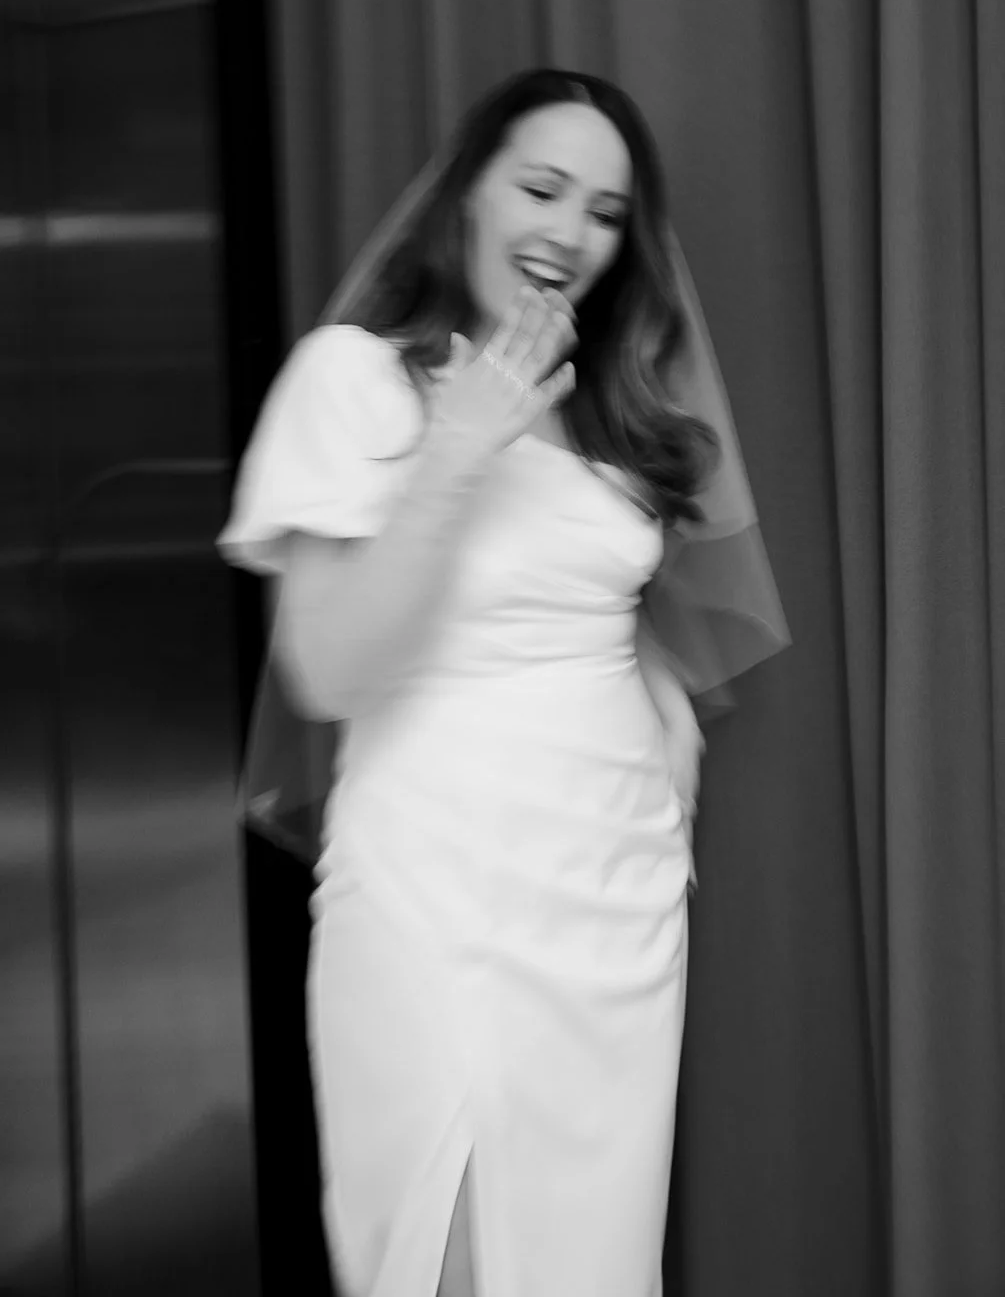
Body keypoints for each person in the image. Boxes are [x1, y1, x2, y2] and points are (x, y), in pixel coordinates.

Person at [218, 68, 789, 1297]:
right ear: (466, 197)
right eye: (540, 187)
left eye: (604, 211)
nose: (570, 232)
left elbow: (578, 586)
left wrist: (658, 695)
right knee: (454, 1254)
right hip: (441, 889)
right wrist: (456, 448)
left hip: (614, 896)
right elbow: (325, 668)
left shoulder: (604, 416)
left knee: (588, 1261)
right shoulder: (353, 378)